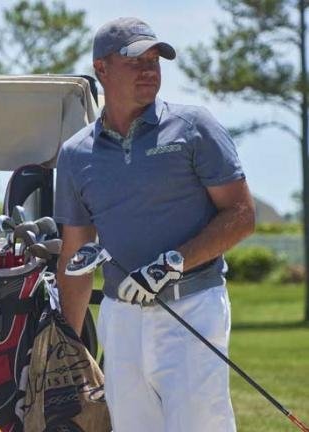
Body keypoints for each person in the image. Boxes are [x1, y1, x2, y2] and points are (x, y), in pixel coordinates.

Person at [54, 17, 255, 432]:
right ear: (101, 69)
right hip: (120, 318)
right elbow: (75, 255)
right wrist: (69, 350)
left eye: (155, 60)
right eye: (135, 61)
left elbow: (241, 215)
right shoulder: (75, 154)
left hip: (193, 307)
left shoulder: (194, 127)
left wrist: (171, 263)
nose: (149, 70)